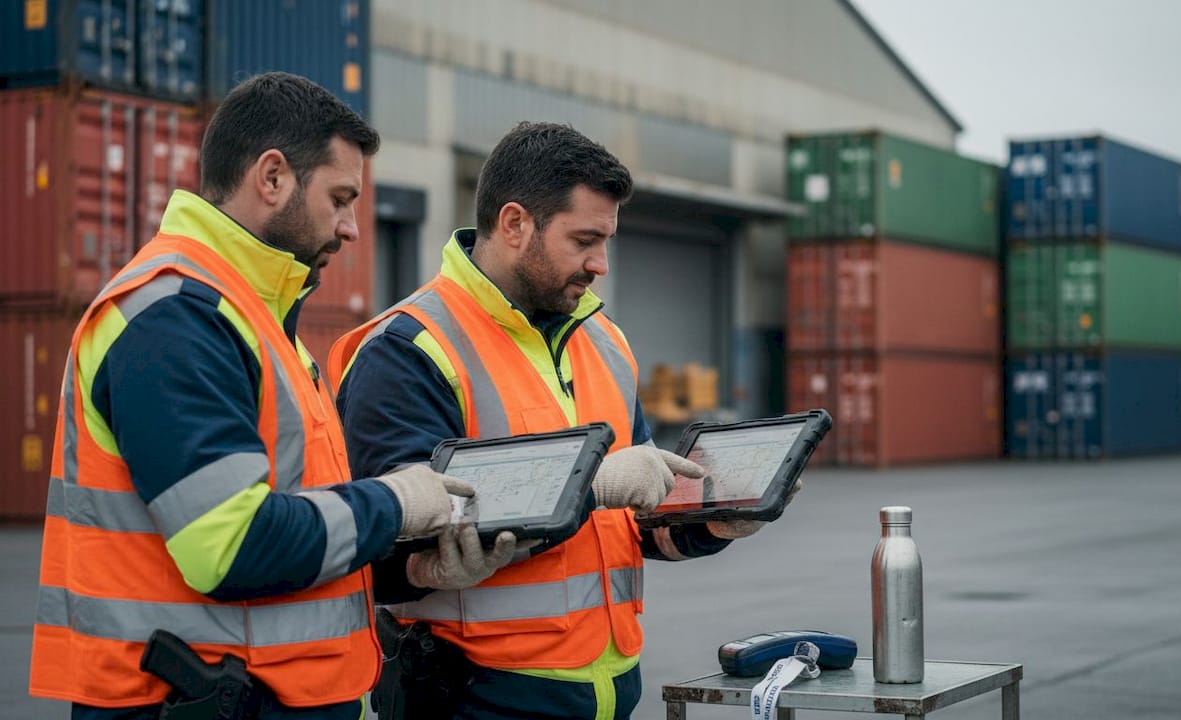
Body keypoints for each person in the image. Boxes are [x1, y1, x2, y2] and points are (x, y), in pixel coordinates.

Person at [27, 72, 513, 720]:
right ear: (273, 177)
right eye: (340, 199)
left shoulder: (254, 319)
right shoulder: (171, 317)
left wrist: (408, 574)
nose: (351, 230)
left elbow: (307, 529)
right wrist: (394, 503)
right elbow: (228, 547)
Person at [331, 121, 791, 720]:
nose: (601, 264)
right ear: (516, 223)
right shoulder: (409, 349)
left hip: (608, 693)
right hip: (474, 699)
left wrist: (715, 522)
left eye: (607, 241)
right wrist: (590, 486)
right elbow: (389, 541)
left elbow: (634, 524)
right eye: (584, 240)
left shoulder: (604, 341)